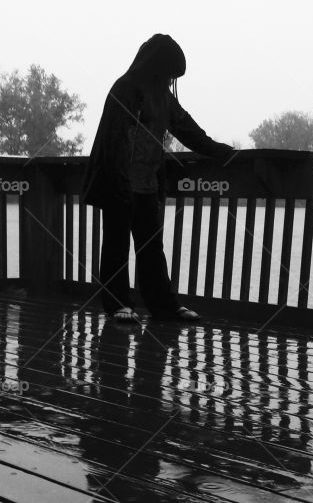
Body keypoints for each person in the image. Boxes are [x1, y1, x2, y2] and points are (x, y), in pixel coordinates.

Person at [82, 33, 233, 323]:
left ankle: (164, 306)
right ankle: (118, 305)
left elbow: (188, 130)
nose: (170, 82)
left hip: (147, 184)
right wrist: (120, 182)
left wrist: (221, 151)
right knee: (116, 245)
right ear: (156, 67)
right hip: (119, 183)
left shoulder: (163, 97)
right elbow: (114, 143)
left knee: (151, 249)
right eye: (168, 75)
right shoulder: (125, 90)